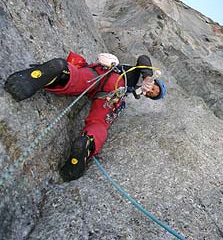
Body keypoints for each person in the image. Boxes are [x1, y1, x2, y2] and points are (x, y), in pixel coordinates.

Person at [4, 52, 166, 181]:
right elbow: (143, 58)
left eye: (152, 94)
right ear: (155, 82)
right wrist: (146, 76)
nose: (151, 91)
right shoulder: (142, 74)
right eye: (155, 89)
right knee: (100, 122)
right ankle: (88, 143)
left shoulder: (137, 88)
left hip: (100, 75)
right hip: (113, 83)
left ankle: (59, 73)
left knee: (78, 78)